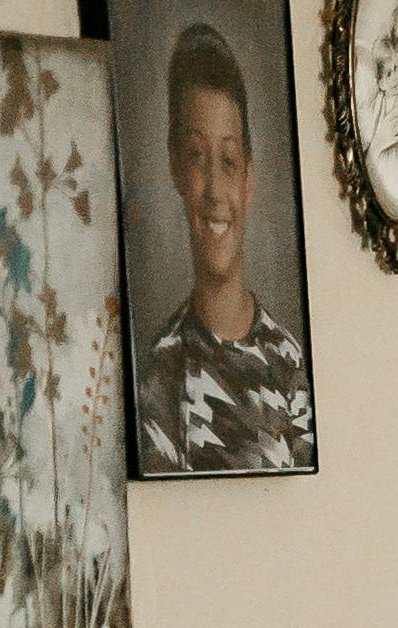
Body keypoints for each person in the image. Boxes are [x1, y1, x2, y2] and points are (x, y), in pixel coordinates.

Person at [131, 26, 309, 471]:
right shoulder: (159, 375)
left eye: (228, 162)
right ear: (174, 166)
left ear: (248, 177)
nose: (213, 189)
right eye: (196, 157)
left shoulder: (289, 363)